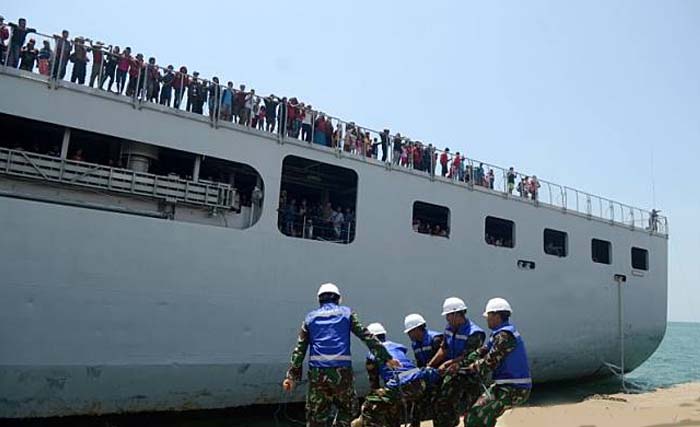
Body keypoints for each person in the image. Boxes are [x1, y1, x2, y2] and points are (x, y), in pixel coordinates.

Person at [282, 283, 400, 427]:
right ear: (339, 299)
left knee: (316, 415)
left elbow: (300, 349)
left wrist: (291, 377)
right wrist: (386, 358)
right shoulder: (347, 313)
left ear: (319, 300)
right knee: (348, 410)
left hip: (317, 374)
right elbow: (366, 336)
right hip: (342, 373)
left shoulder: (309, 318)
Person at [353, 322, 441, 427]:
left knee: (369, 406)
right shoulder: (396, 347)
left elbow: (374, 384)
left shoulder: (373, 353)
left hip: (401, 384)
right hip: (419, 383)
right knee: (394, 403)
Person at [460, 298, 531, 427]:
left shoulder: (505, 336)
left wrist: (473, 367)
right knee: (483, 417)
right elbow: (482, 351)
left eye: (488, 316)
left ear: (497, 316)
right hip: (504, 387)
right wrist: (459, 364)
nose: (486, 319)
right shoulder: (498, 334)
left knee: (475, 415)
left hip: (514, 389)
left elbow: (490, 360)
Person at [428, 297, 486, 427]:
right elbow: (444, 348)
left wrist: (447, 364)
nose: (447, 319)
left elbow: (468, 356)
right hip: (454, 374)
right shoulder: (449, 328)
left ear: (456, 314)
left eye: (448, 315)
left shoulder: (475, 333)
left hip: (470, 376)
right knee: (442, 404)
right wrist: (430, 365)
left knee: (473, 411)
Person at [404, 313, 444, 427]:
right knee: (416, 404)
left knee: (438, 408)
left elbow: (443, 359)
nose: (409, 334)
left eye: (410, 331)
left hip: (440, 379)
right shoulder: (415, 344)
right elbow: (420, 364)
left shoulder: (435, 339)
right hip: (427, 379)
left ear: (417, 329)